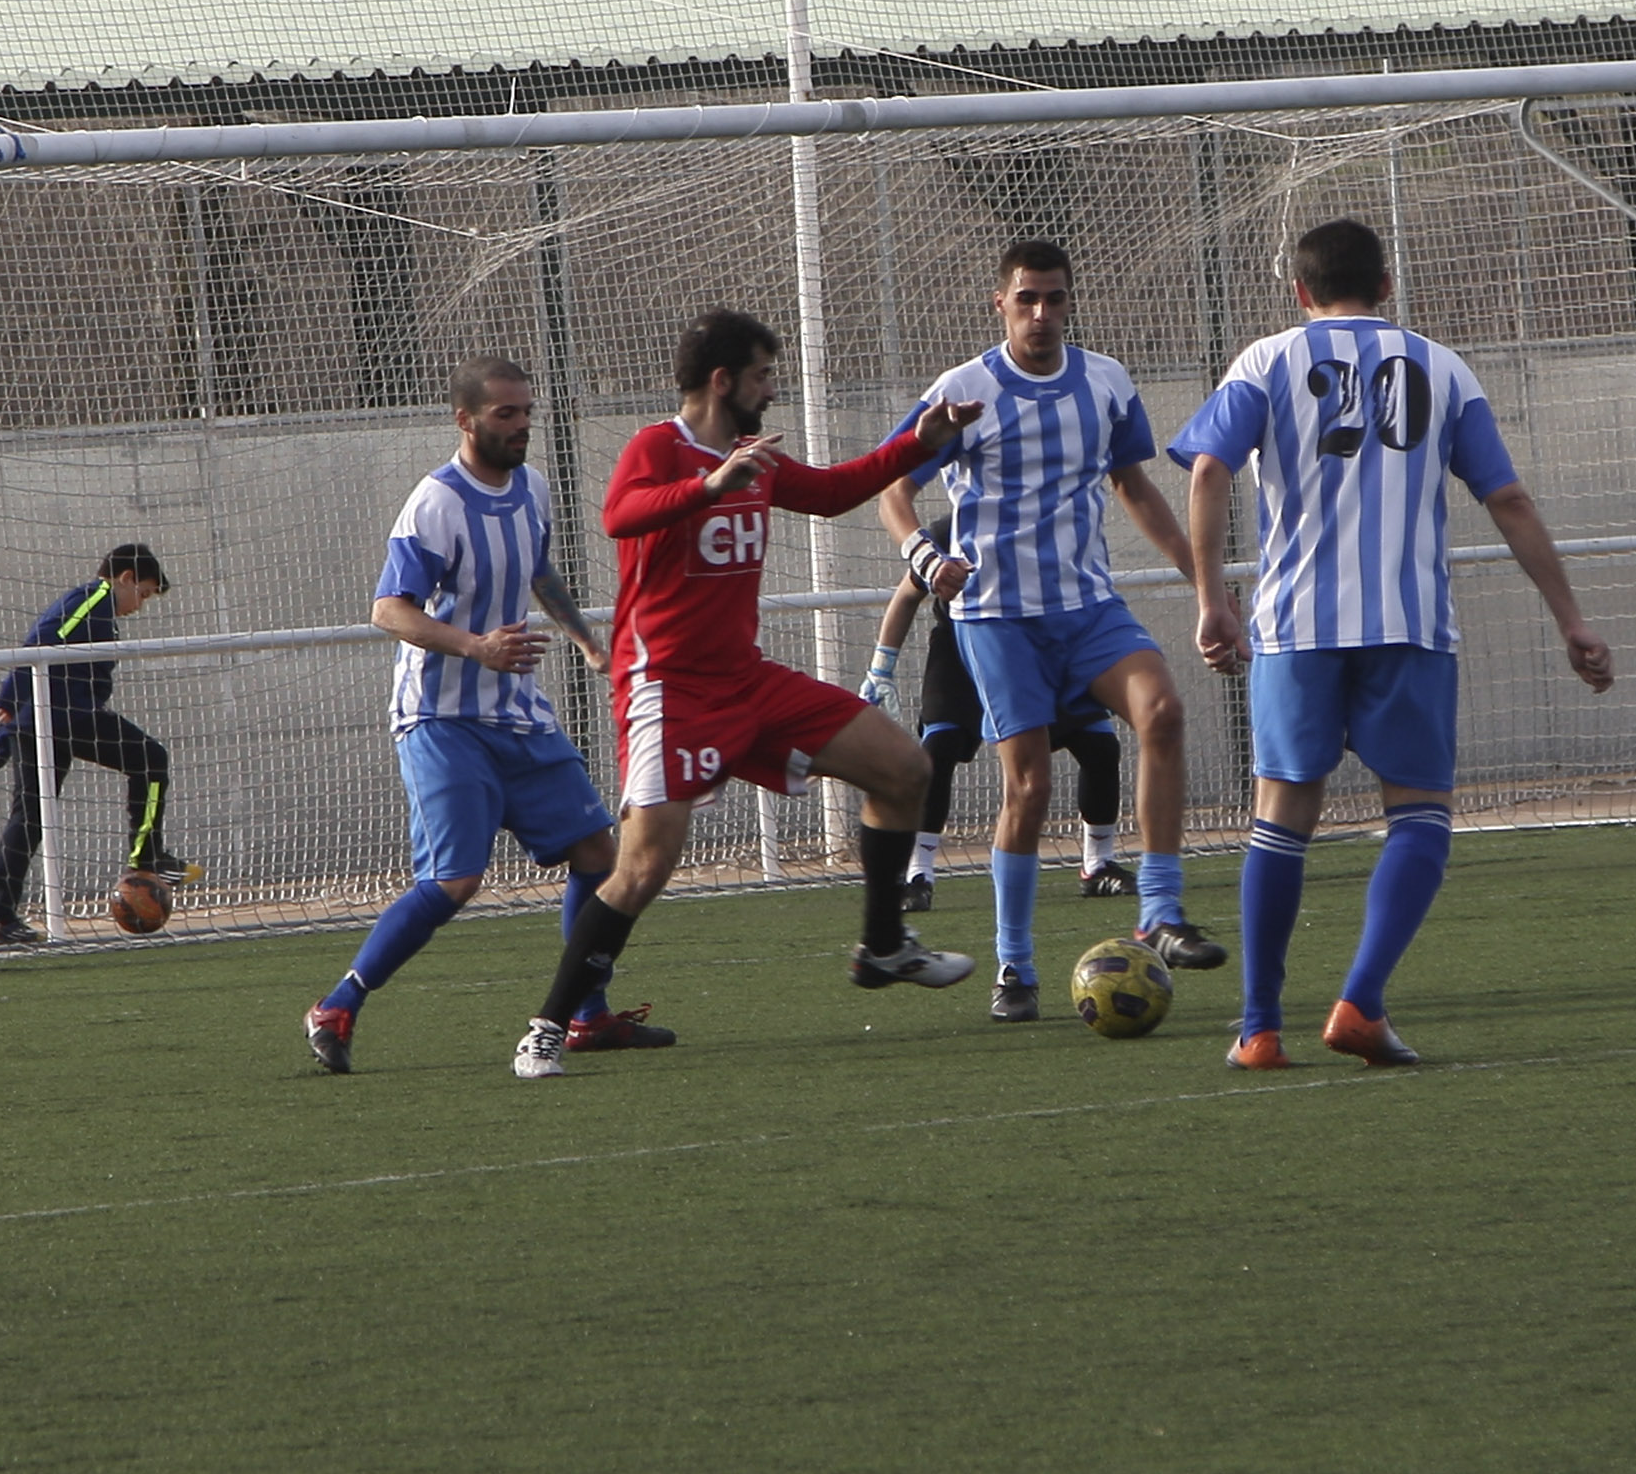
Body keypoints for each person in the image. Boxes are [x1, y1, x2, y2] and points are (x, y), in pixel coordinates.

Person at [1171, 218, 1615, 1071]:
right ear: (1387, 286)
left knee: (1280, 821)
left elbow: (1207, 469)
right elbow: (1509, 498)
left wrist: (1211, 600)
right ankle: (1361, 1004)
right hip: (1408, 627)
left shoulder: (1264, 362)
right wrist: (1571, 618)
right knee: (1419, 817)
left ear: (1300, 293)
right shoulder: (1442, 367)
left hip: (1296, 627)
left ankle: (1260, 1028)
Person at [512, 309, 983, 1080]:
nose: (773, 389)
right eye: (764, 375)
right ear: (724, 381)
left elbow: (833, 493)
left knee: (905, 769)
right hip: (666, 684)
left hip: (747, 679)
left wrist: (919, 443)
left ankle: (883, 945)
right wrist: (709, 484)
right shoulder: (658, 448)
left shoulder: (751, 455)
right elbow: (618, 517)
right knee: (645, 864)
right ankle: (548, 1026)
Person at [879, 239, 1221, 1027]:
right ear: (999, 303)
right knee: (1027, 787)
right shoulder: (964, 389)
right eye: (1027, 298)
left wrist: (1208, 588)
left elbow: (1134, 485)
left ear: (1071, 302)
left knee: (1162, 713)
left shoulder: (1105, 382)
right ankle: (1015, 966)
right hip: (997, 617)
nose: (1041, 313)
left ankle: (1160, 913)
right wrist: (924, 556)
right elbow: (896, 482)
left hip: (1089, 608)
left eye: (1055, 298)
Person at [307, 356, 640, 1075]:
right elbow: (388, 609)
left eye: (526, 413)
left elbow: (539, 573)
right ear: (465, 420)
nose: (522, 426)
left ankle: (585, 1016)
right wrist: (476, 646)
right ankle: (338, 1003)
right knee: (455, 881)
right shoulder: (436, 502)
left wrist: (586, 640)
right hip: (440, 717)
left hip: (518, 714)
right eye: (505, 415)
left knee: (599, 854)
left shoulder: (534, 489)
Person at [859, 515, 1136, 913]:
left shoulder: (1055, 525)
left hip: (1038, 644)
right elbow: (906, 596)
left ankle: (1099, 865)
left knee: (1099, 743)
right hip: (960, 647)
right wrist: (879, 670)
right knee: (938, 749)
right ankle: (918, 875)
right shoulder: (947, 533)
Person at [0, 543, 188, 946]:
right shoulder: (94, 598)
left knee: (30, 819)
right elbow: (42, 640)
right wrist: (10, 696)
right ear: (125, 578)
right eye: (141, 593)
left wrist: (8, 731)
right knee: (150, 758)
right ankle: (146, 856)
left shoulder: (104, 612)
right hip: (61, 717)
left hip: (53, 719)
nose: (139, 605)